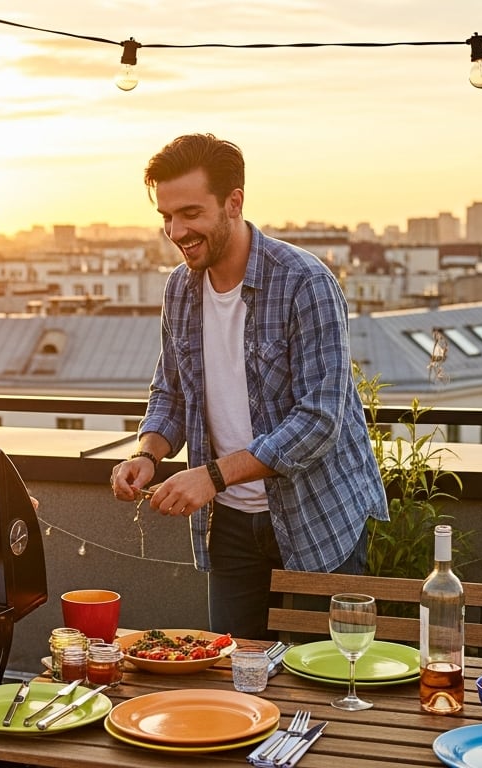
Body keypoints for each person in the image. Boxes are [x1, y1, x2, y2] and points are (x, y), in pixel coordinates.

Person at [110, 133, 389, 640]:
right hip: (233, 527)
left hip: (317, 518)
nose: (176, 230)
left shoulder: (305, 281)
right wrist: (147, 455)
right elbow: (170, 394)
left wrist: (212, 477)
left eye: (190, 213)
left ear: (234, 202)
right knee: (235, 683)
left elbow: (318, 420)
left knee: (321, 685)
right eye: (167, 217)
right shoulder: (179, 288)